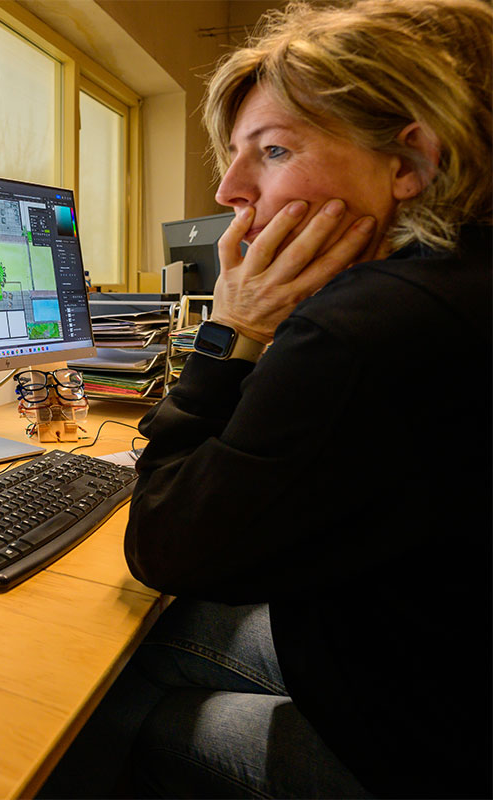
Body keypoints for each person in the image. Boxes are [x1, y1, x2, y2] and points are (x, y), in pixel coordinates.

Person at [39, 0, 491, 797]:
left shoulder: (368, 328)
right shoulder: (453, 287)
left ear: (411, 161)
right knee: (152, 636)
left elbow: (163, 546)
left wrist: (233, 329)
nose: (228, 189)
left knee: (96, 699)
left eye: (274, 150)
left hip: (421, 753)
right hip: (430, 659)